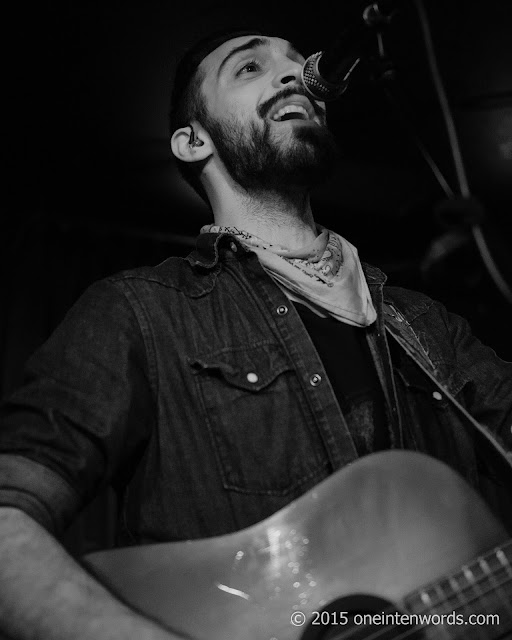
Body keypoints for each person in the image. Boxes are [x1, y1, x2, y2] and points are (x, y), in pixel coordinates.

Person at [0, 28, 511, 640]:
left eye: (299, 63)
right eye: (250, 68)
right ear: (193, 141)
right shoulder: (139, 311)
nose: (297, 75)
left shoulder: (429, 329)